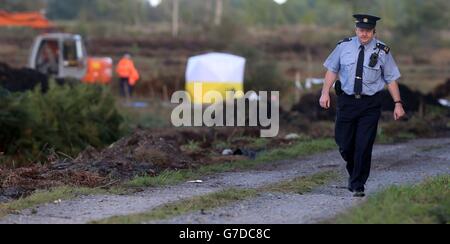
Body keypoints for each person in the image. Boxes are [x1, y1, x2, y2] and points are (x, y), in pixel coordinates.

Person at [319, 14, 406, 197]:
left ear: (374, 31)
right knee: (344, 143)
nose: (364, 34)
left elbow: (390, 79)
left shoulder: (383, 51)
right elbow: (332, 70)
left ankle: (358, 183)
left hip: (370, 104)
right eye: (361, 30)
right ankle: (355, 173)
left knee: (363, 145)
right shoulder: (343, 46)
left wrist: (398, 103)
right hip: (347, 102)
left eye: (367, 31)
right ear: (356, 29)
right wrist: (325, 92)